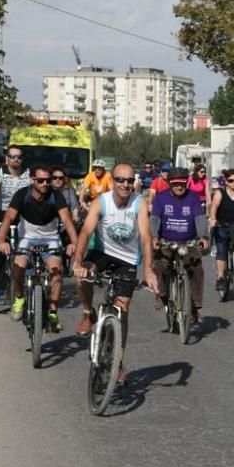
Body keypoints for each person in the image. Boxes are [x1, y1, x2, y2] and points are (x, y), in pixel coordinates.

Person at [73, 163, 159, 386]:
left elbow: (146, 237)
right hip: (102, 253)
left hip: (127, 260)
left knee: (122, 309)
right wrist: (78, 262)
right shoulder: (101, 202)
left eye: (130, 181)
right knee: (82, 277)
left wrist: (148, 270)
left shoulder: (138, 203)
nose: (125, 185)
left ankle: (117, 361)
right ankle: (87, 312)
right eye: (121, 180)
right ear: (112, 181)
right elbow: (85, 231)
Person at [0, 165, 80, 330]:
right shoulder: (22, 195)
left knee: (57, 273)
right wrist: (1, 240)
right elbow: (8, 218)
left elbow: (68, 221)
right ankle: (19, 298)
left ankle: (52, 312)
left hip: (50, 239)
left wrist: (74, 244)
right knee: (18, 268)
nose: (45, 184)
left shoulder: (56, 196)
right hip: (27, 238)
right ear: (32, 180)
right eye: (40, 180)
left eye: (48, 180)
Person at [150, 167, 209, 324]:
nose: (179, 187)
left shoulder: (193, 198)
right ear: (169, 183)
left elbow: (200, 218)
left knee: (197, 269)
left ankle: (194, 307)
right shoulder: (161, 198)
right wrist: (154, 236)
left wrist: (203, 236)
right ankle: (161, 295)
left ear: (186, 183)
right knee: (159, 267)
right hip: (166, 242)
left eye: (182, 183)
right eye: (175, 184)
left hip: (187, 242)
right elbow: (155, 218)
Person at [0, 146, 32, 303]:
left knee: (27, 248)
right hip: (2, 214)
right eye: (13, 156)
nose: (16, 159)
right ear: (7, 158)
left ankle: (31, 280)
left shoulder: (29, 175)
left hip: (23, 215)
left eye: (19, 157)